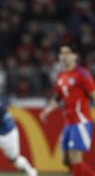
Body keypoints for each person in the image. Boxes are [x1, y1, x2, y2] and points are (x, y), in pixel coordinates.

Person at [40, 43, 95, 176]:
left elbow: (93, 94)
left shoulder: (82, 74)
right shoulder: (61, 76)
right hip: (68, 123)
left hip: (81, 122)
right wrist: (47, 110)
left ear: (75, 56)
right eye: (62, 53)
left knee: (75, 159)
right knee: (66, 160)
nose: (64, 56)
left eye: (67, 53)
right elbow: (57, 98)